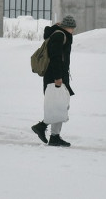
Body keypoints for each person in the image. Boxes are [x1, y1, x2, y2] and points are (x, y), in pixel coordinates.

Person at [31, 15, 76, 147]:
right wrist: (58, 78)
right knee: (59, 106)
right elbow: (55, 57)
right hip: (55, 77)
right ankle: (46, 130)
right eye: (73, 28)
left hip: (58, 76)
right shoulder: (59, 36)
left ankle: (51, 134)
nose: (73, 30)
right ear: (69, 27)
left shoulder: (60, 34)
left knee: (60, 106)